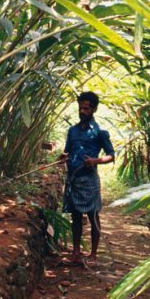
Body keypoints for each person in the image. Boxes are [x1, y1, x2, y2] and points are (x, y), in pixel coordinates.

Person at [60, 91, 114, 264]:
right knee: (75, 216)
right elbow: (67, 151)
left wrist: (96, 161)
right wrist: (64, 157)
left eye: (86, 108)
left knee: (93, 216)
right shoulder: (72, 131)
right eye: (80, 108)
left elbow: (111, 155)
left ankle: (93, 255)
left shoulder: (99, 133)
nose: (82, 111)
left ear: (94, 109)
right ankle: (76, 252)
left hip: (89, 180)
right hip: (73, 179)